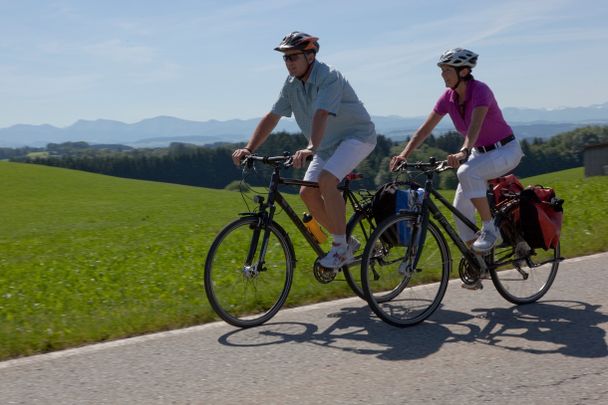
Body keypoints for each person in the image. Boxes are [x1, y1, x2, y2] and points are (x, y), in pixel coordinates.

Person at [232, 31, 377, 269]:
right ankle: (347, 241)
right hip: (327, 144)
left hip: (356, 137)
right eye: (285, 59)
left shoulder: (328, 77)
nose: (288, 63)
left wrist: (311, 146)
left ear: (310, 56)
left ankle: (340, 249)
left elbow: (321, 114)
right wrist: (249, 148)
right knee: (307, 193)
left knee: (327, 180)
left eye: (293, 57)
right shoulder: (291, 85)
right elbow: (273, 116)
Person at [390, 48, 523, 256]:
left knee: (466, 172)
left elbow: (475, 127)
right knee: (459, 208)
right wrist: (404, 154)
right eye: (442, 69)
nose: (442, 74)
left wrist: (463, 151)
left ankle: (490, 230)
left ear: (463, 71)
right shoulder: (448, 98)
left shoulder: (481, 91)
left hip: (505, 150)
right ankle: (479, 261)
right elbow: (425, 130)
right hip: (480, 153)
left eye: (447, 69)